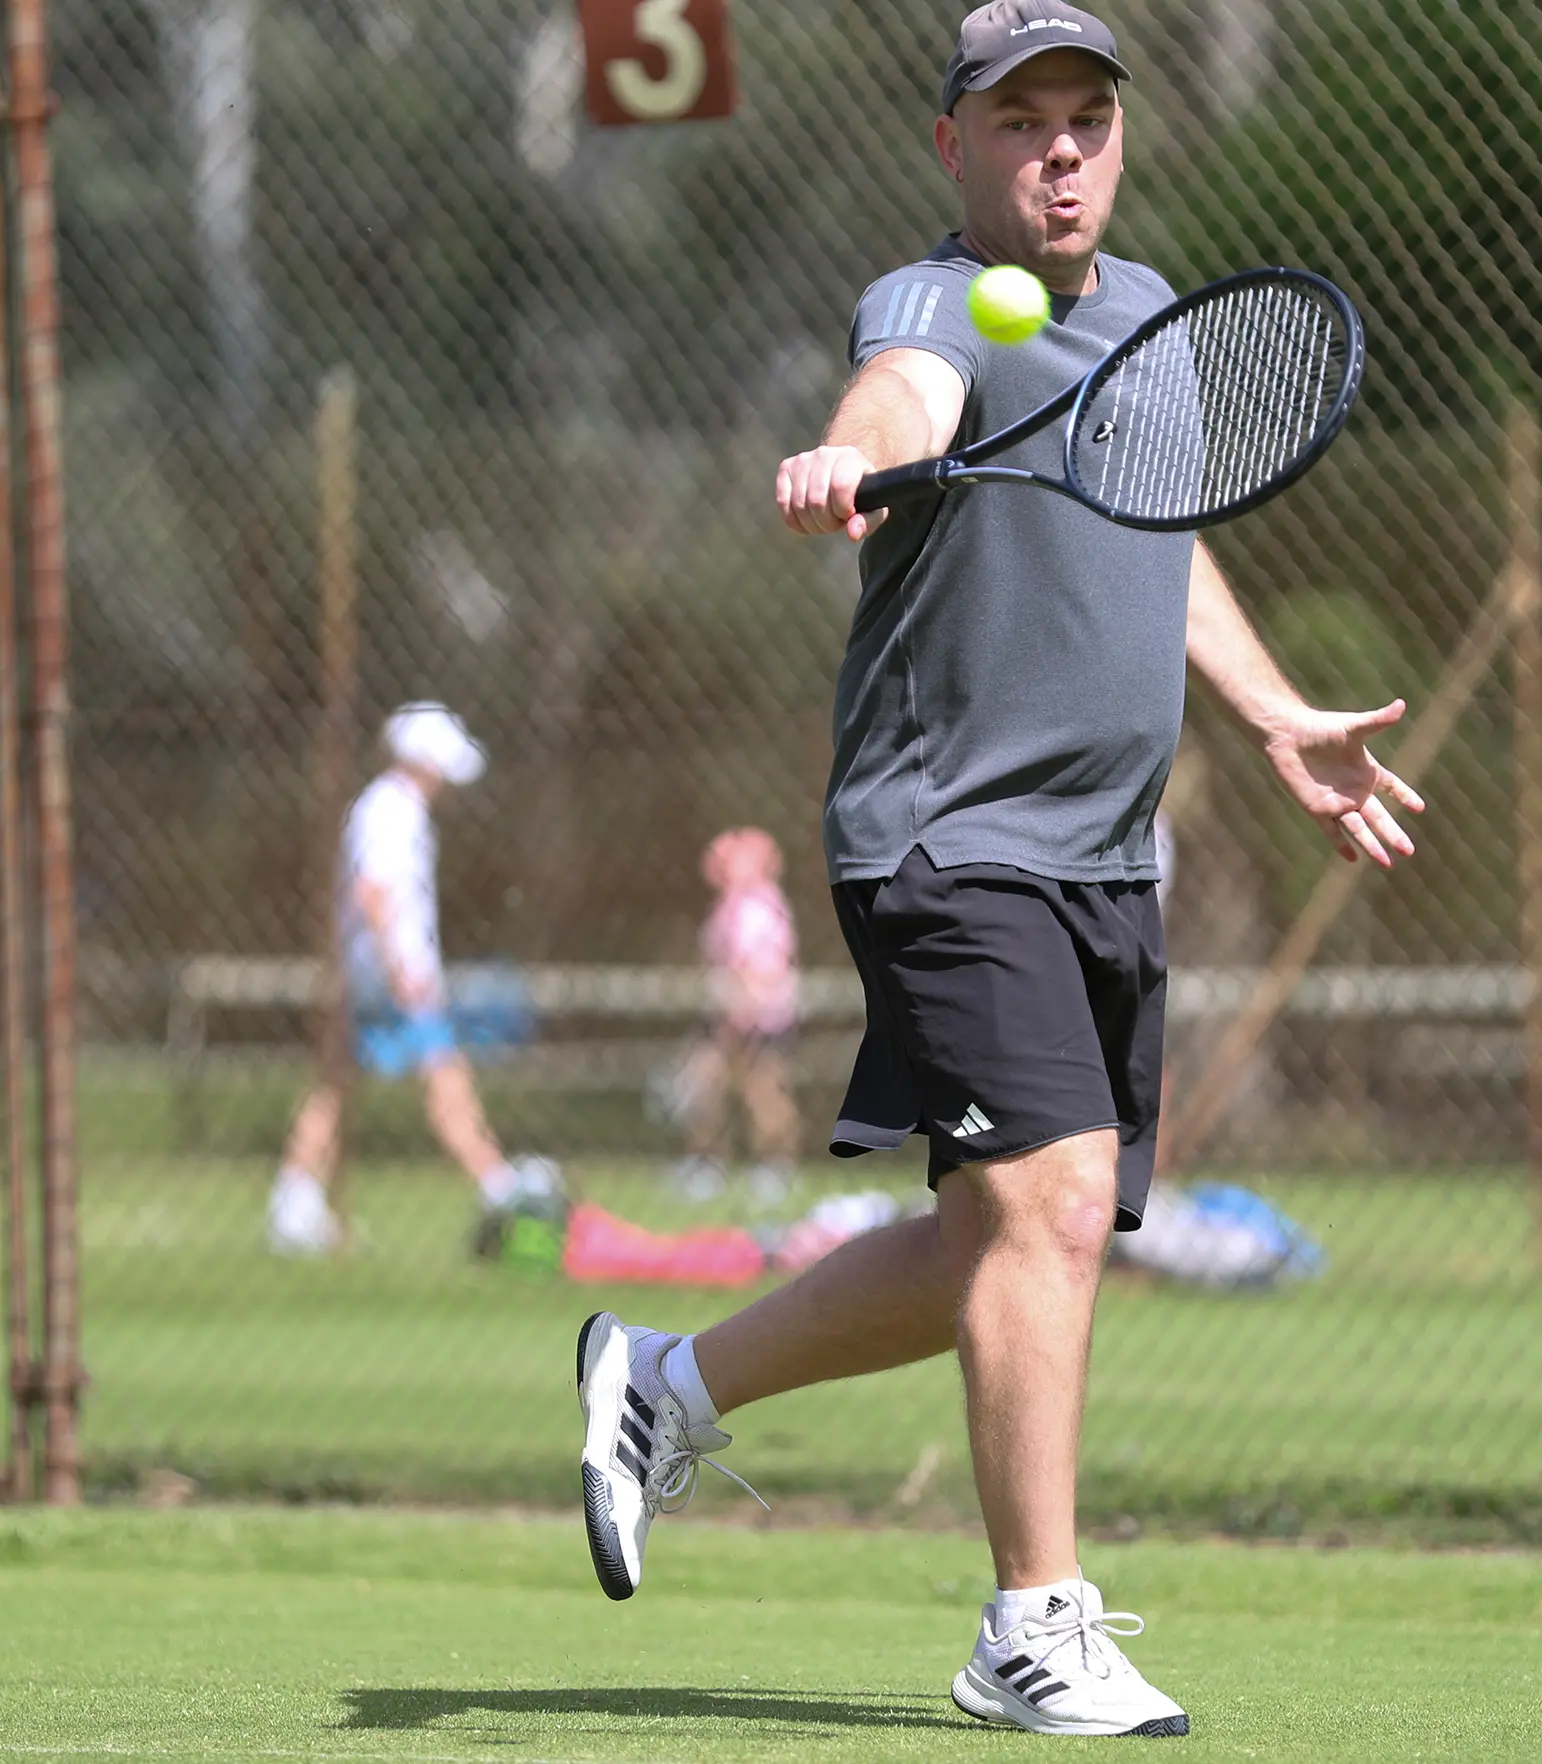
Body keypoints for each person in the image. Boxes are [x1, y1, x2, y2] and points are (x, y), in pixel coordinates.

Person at [573, 3, 1420, 1737]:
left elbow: (1159, 542)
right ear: (953, 145)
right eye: (1019, 118)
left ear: (1118, 134)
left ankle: (664, 1387)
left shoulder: (1158, 321)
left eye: (1084, 115)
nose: (1058, 148)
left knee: (1003, 1229)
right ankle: (1032, 1623)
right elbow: (903, 389)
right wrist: (845, 454)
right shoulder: (938, 300)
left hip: (1102, 855)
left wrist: (1271, 712)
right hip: (948, 838)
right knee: (1051, 1205)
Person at [268, 702, 558, 1254]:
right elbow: (373, 893)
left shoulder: (391, 808)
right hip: (393, 976)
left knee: (336, 1085)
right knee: (445, 1079)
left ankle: (293, 1203)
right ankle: (500, 1189)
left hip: (376, 972)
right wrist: (400, 969)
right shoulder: (391, 811)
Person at [666, 828, 803, 1206]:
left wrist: (739, 1015)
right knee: (704, 1088)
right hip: (725, 1015)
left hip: (759, 1020)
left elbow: (757, 967)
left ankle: (773, 1170)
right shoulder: (728, 906)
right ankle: (707, 1166)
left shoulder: (757, 907)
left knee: (764, 1095)